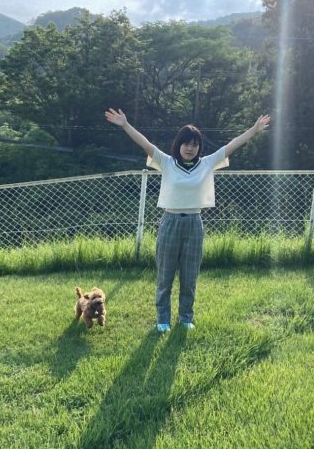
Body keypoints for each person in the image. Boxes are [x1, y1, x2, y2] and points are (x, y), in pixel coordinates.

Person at [104, 108, 270, 332]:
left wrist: (254, 129)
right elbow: (144, 143)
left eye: (194, 144)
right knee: (165, 276)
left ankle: (185, 319)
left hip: (194, 223)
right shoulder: (166, 162)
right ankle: (163, 319)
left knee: (189, 276)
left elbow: (232, 145)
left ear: (199, 147)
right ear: (179, 144)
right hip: (170, 222)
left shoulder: (207, 163)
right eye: (186, 143)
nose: (190, 148)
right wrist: (125, 124)